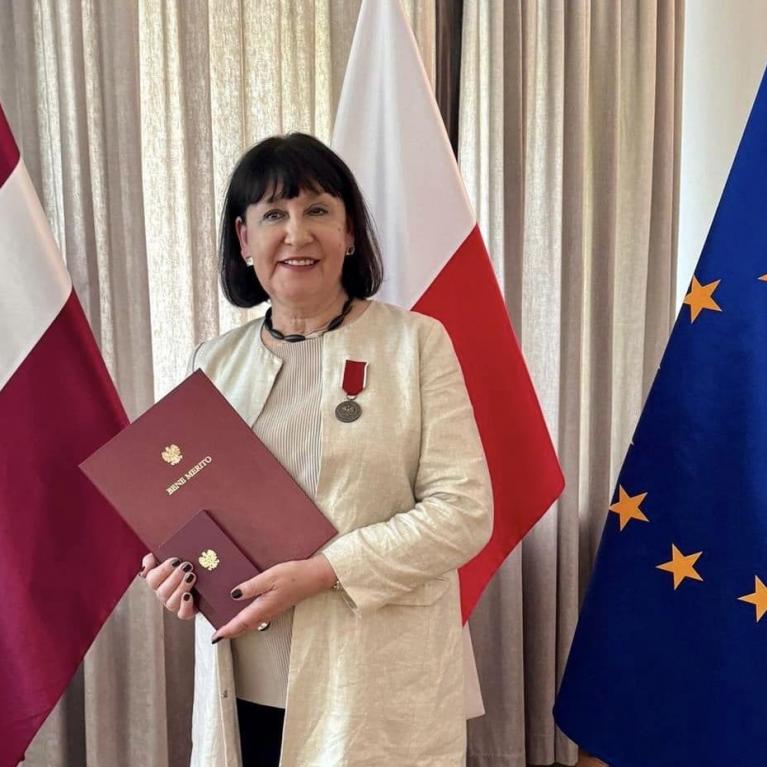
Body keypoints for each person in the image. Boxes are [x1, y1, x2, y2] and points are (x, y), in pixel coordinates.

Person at [139, 133, 492, 767]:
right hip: (245, 673)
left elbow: (463, 512)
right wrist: (176, 575)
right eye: (273, 214)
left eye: (318, 211)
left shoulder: (416, 344)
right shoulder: (214, 364)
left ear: (350, 233)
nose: (296, 234)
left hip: (371, 679)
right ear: (244, 241)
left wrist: (326, 571)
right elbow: (194, 519)